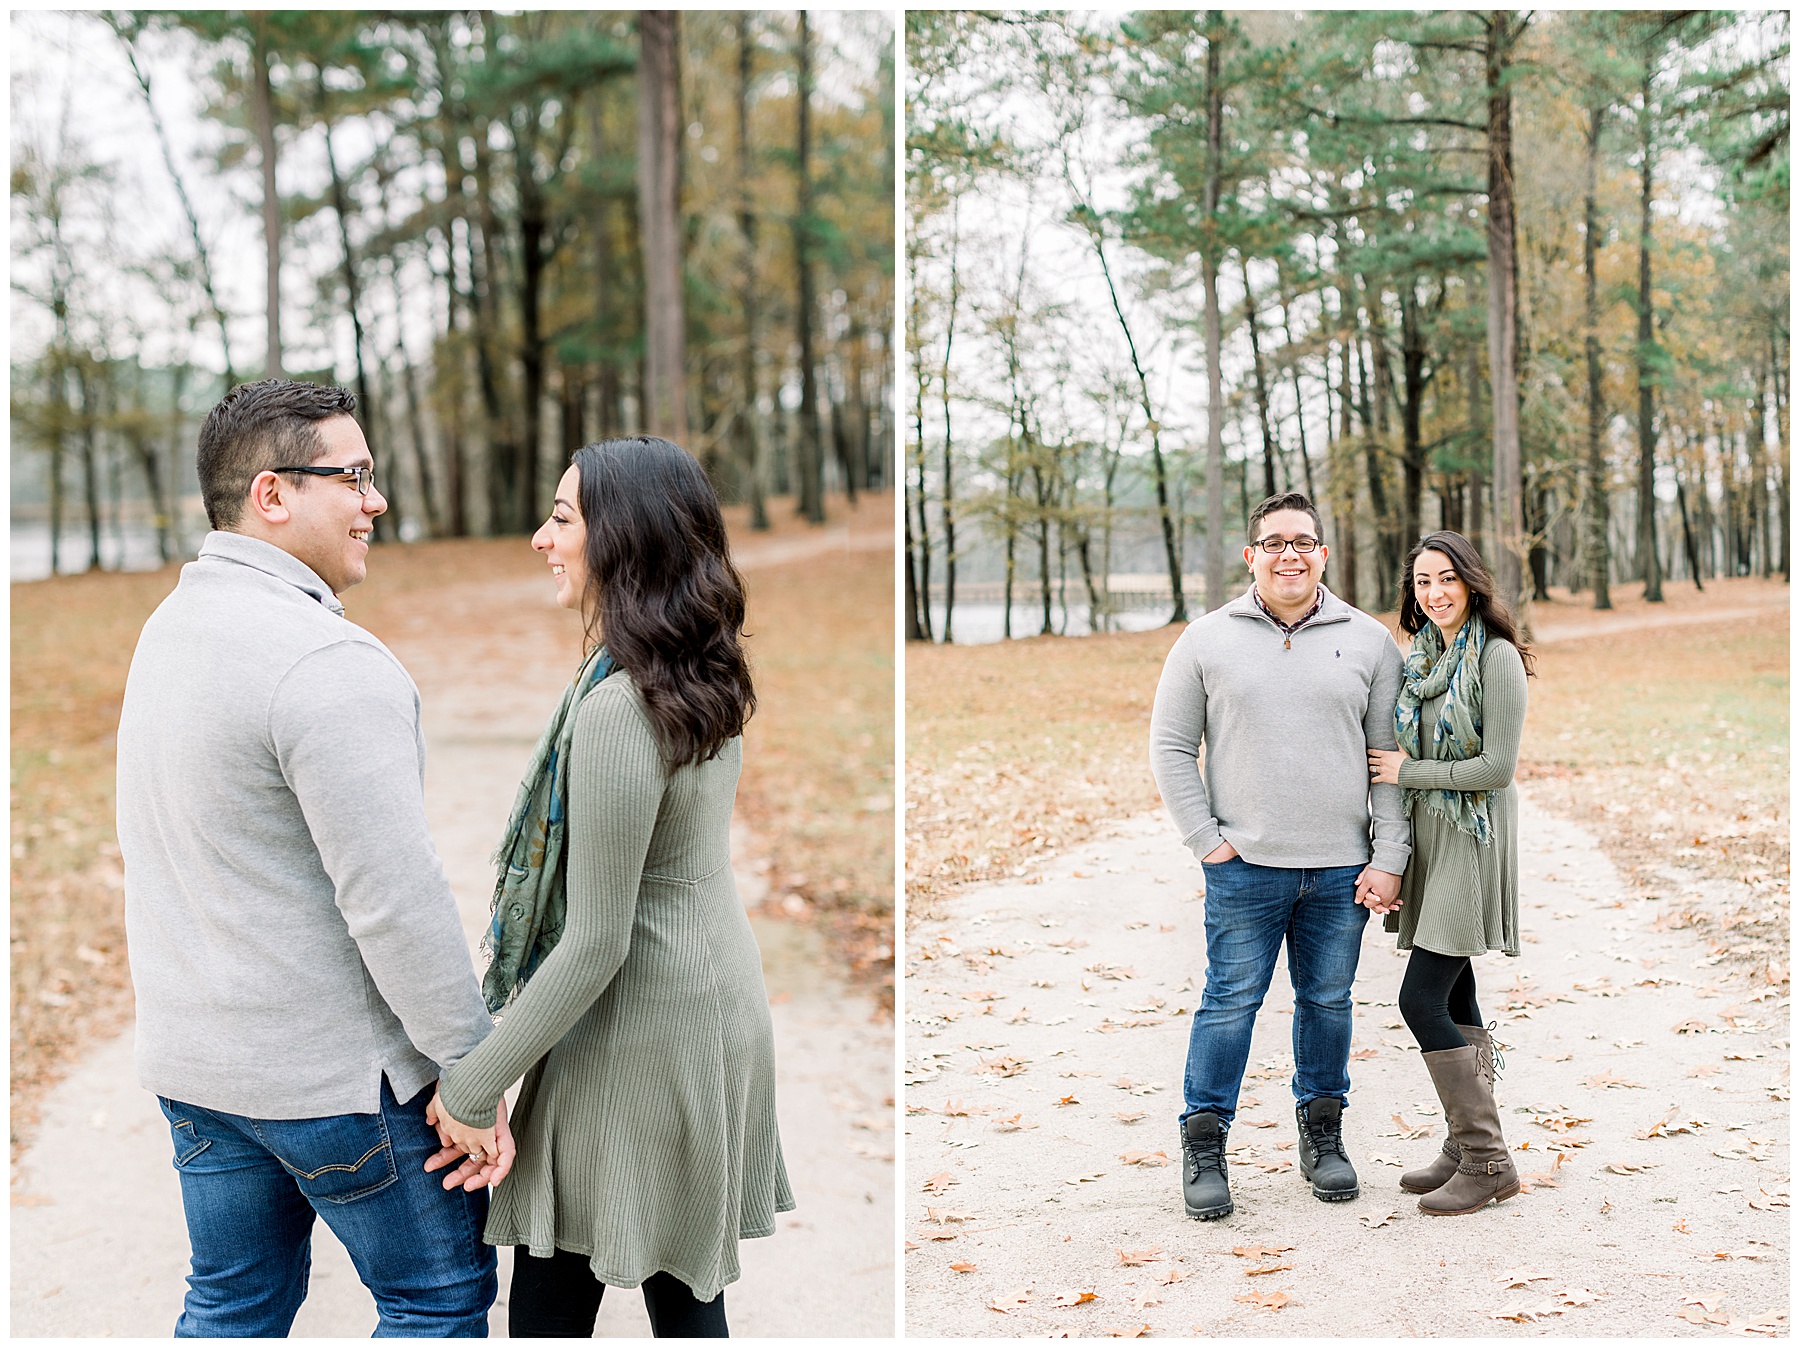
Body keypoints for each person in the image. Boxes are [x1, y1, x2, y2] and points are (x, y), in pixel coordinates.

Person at [116, 379, 513, 1337]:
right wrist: (471, 1072)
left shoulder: (168, 632)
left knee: (231, 1308)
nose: (375, 502)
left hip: (199, 1069)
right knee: (435, 1303)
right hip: (337, 1085)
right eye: (356, 477)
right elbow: (395, 904)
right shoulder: (323, 662)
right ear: (273, 494)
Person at [426, 436, 793, 1339]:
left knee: (553, 1299)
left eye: (562, 519)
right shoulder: (698, 673)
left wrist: (473, 1085)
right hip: (705, 1007)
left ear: (621, 539)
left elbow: (596, 940)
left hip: (645, 1032)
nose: (542, 538)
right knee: (683, 1292)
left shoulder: (622, 710)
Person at [1149, 491, 1410, 1221]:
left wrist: (1388, 854)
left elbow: (1387, 758)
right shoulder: (1204, 640)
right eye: (1274, 543)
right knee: (1229, 1005)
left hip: (1338, 870)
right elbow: (1171, 747)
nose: (1288, 554)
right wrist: (1209, 841)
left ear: (1323, 554)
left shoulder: (1367, 641)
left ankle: (1322, 1139)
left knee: (1326, 1004)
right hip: (1244, 869)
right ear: (1251, 556)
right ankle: (1205, 1146)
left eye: (1302, 542)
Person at [1367, 530, 1533, 1216]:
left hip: (1472, 838)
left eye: (1445, 579)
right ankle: (1467, 1148)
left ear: (1470, 582)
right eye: (1422, 582)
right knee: (1457, 997)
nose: (1433, 594)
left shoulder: (1496, 659)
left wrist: (1413, 773)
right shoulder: (1424, 659)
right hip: (1434, 839)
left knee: (1420, 999)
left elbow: (1496, 771)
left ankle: (1488, 1155)